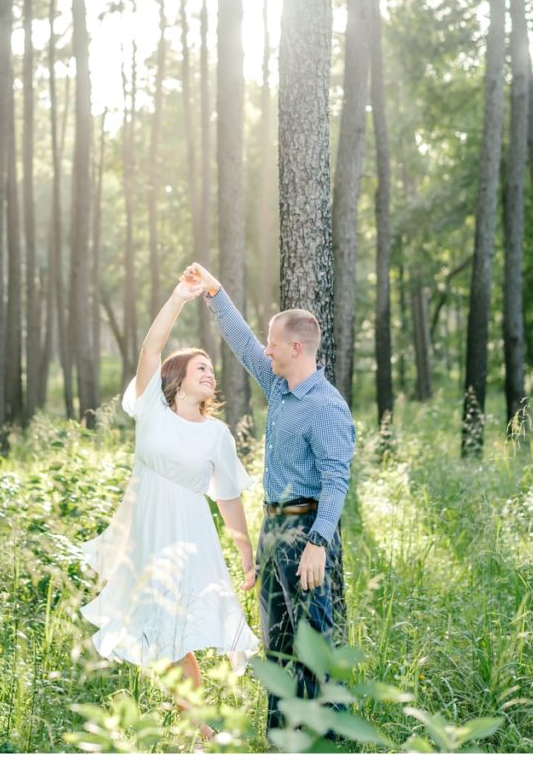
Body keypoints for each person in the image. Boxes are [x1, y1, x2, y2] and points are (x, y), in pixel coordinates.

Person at [80, 276, 259, 739]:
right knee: (160, 634)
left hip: (191, 537)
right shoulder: (152, 411)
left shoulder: (216, 434)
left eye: (211, 369)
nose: (210, 373)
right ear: (176, 378)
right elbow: (150, 349)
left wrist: (244, 552)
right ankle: (190, 724)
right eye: (200, 366)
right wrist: (180, 297)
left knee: (180, 634)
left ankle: (195, 728)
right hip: (147, 533)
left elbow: (227, 496)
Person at [182, 262, 356, 735]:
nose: (266, 349)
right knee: (276, 641)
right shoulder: (280, 387)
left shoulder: (326, 407)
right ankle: (281, 738)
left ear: (296, 348)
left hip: (308, 533)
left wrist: (319, 543)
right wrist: (215, 292)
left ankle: (328, 739)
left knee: (314, 642)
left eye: (273, 343)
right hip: (272, 528)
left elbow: (337, 480)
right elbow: (241, 343)